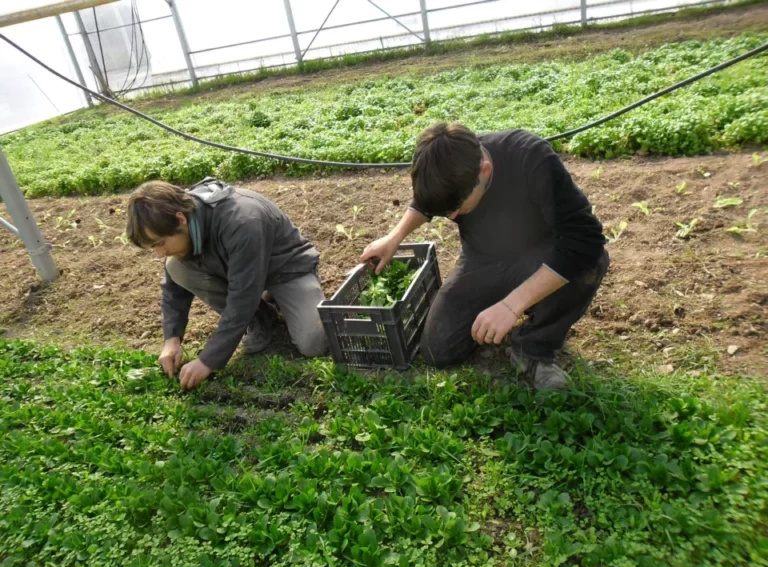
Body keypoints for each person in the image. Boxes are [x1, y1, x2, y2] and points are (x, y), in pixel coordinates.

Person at [361, 123, 608, 389]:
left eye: (456, 209)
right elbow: (430, 201)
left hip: (541, 257)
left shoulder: (530, 157)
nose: (453, 217)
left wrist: (512, 305)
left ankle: (533, 348)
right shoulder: (446, 162)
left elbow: (586, 239)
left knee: (590, 264)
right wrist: (394, 238)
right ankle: (519, 302)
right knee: (438, 351)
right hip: (483, 259)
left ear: (484, 172)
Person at [127, 177, 327, 391]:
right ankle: (262, 318)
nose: (160, 253)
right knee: (175, 267)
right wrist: (172, 339)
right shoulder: (188, 224)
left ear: (180, 219)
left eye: (161, 243)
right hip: (237, 270)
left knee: (313, 342)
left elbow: (242, 296)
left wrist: (208, 361)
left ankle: (282, 299)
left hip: (287, 269)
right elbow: (173, 288)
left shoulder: (242, 220)